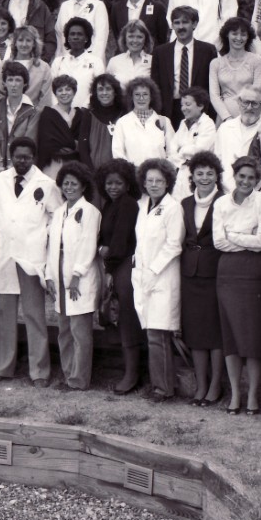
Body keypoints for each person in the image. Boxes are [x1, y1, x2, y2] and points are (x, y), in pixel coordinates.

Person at [0, 138, 60, 386]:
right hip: (5, 255)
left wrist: (42, 238)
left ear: (34, 157)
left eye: (26, 157)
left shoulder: (47, 185)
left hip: (31, 258)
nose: (22, 161)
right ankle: (3, 366)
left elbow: (56, 217)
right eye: (17, 157)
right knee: (5, 313)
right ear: (11, 156)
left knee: (34, 314)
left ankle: (39, 370)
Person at [213, 156, 261, 415]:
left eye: (251, 177)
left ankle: (252, 396)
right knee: (231, 335)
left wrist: (234, 236)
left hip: (254, 272)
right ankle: (236, 394)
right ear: (234, 176)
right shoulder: (221, 203)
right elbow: (218, 242)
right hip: (227, 272)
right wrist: (246, 236)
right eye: (242, 176)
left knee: (253, 335)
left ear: (257, 179)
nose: (246, 181)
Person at [45, 161, 102, 391]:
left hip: (80, 275)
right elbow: (51, 247)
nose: (69, 187)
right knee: (64, 330)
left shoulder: (90, 212)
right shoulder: (58, 213)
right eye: (65, 183)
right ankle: (68, 374)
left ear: (83, 186)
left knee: (80, 332)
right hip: (58, 271)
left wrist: (77, 274)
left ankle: (79, 380)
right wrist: (49, 276)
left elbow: (88, 246)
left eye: (74, 183)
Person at [133, 157, 185, 402]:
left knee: (159, 334)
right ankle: (158, 384)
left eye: (159, 181)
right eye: (149, 180)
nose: (153, 184)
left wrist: (153, 271)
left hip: (163, 277)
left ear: (168, 183)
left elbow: (174, 245)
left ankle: (163, 389)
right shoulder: (142, 205)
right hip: (143, 276)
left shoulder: (173, 207)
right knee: (151, 332)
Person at [181, 151, 226, 406]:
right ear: (193, 177)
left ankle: (216, 385)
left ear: (217, 176)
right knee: (196, 331)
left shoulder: (224, 200)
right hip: (189, 274)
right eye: (200, 173)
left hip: (215, 271)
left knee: (215, 331)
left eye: (210, 173)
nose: (205, 178)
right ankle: (200, 385)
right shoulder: (185, 203)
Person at [95, 159, 141, 394]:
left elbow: (120, 242)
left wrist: (109, 266)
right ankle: (128, 370)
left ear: (127, 184)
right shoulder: (108, 205)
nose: (113, 187)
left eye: (118, 183)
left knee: (126, 320)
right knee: (117, 317)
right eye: (109, 183)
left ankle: (132, 375)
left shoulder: (128, 204)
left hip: (124, 268)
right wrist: (104, 248)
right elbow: (104, 239)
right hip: (114, 265)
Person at [153, 5, 217, 129]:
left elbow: (212, 85)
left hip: (198, 110)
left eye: (185, 22)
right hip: (170, 110)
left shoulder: (208, 51)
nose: (180, 27)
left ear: (194, 24)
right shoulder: (160, 52)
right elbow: (155, 86)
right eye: (176, 23)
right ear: (172, 25)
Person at [0, 62, 38, 186]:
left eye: (18, 80)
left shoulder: (32, 112)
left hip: (22, 171)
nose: (14, 85)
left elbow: (28, 143)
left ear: (24, 83)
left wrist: (12, 169)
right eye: (10, 80)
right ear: (4, 83)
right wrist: (0, 170)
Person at [37, 75, 94, 179]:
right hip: (54, 164)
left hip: (76, 164)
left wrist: (71, 144)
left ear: (74, 92)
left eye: (68, 89)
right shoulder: (48, 114)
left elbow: (84, 142)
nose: (64, 93)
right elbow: (46, 143)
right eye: (60, 90)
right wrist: (73, 144)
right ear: (55, 93)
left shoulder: (80, 115)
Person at [209, 17, 261, 121]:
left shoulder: (257, 60)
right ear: (227, 35)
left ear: (248, 37)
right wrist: (227, 118)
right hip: (224, 118)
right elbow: (214, 96)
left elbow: (258, 92)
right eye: (234, 33)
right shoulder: (216, 63)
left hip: (250, 116)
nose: (239, 38)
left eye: (243, 34)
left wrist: (245, 118)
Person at [215, 87, 261, 192]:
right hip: (225, 191)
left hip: (255, 193)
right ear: (239, 103)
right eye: (246, 102)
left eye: (254, 103)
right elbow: (217, 160)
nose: (249, 108)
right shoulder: (225, 128)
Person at [111, 77, 172, 166]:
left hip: (159, 176)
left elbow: (172, 151)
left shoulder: (164, 122)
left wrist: (164, 171)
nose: (141, 98)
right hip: (132, 176)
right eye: (137, 94)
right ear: (131, 97)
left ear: (151, 97)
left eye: (145, 94)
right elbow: (118, 154)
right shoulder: (122, 123)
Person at [54, 0, 108, 65]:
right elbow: (60, 35)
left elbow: (101, 38)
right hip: (67, 60)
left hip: (90, 60)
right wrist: (59, 60)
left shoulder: (98, 6)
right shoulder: (65, 6)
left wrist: (94, 62)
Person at [170, 87, 217, 199]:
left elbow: (199, 150)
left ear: (200, 106)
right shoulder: (183, 123)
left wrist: (181, 150)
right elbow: (172, 148)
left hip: (197, 175)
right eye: (182, 105)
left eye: (187, 104)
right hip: (180, 172)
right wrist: (183, 156)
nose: (183, 108)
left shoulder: (208, 124)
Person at [51, 18, 105, 104]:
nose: (75, 37)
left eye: (80, 34)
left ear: (86, 38)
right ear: (67, 38)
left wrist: (84, 110)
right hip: (60, 112)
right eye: (72, 34)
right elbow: (52, 90)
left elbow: (97, 90)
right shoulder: (58, 62)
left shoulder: (96, 62)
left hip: (86, 113)